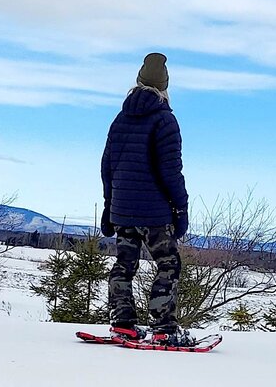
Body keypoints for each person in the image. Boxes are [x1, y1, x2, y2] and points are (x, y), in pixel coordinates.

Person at [100, 52, 194, 346]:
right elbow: (170, 171)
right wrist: (181, 208)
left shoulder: (120, 119)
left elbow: (107, 165)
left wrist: (108, 205)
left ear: (138, 82)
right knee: (168, 264)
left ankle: (122, 323)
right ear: (165, 87)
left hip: (122, 210)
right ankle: (164, 326)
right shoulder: (165, 120)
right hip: (155, 214)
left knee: (124, 264)